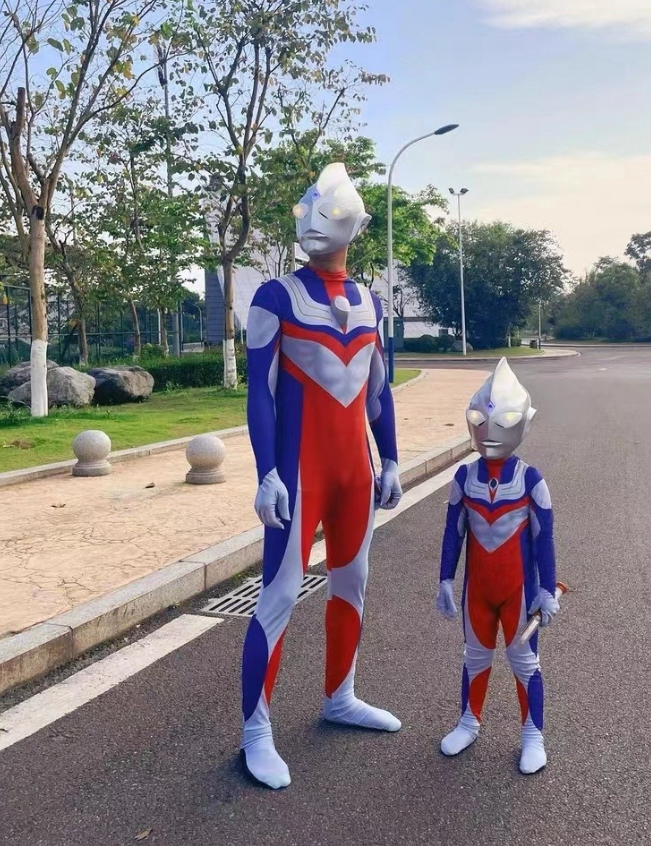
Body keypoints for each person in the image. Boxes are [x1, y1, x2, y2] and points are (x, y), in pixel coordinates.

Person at [240, 162, 402, 789]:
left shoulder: (372, 302)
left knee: (352, 584)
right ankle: (256, 730)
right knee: (279, 594)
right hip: (298, 472)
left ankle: (341, 696)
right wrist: (266, 472)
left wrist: (391, 458)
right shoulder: (275, 296)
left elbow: (378, 393)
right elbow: (260, 393)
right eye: (305, 210)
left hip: (355, 474)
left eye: (328, 212)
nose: (312, 221)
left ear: (356, 225)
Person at [435, 358, 559, 774]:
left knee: (525, 663)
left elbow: (544, 539)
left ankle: (533, 735)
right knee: (475, 658)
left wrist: (546, 589)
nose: (490, 431)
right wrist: (445, 579)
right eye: (480, 420)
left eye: (503, 421)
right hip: (478, 591)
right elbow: (453, 531)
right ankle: (469, 722)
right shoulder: (463, 477)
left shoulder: (531, 480)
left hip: (519, 593)